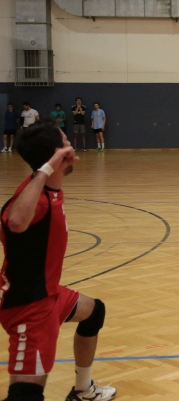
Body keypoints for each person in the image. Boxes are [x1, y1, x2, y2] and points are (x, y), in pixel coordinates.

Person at [0, 120, 116, 401]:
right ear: (56, 155)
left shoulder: (45, 189)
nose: (71, 146)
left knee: (94, 311)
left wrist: (47, 170)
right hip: (29, 308)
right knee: (25, 396)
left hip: (50, 295)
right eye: (66, 142)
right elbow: (15, 221)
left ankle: (83, 390)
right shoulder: (38, 198)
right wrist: (47, 168)